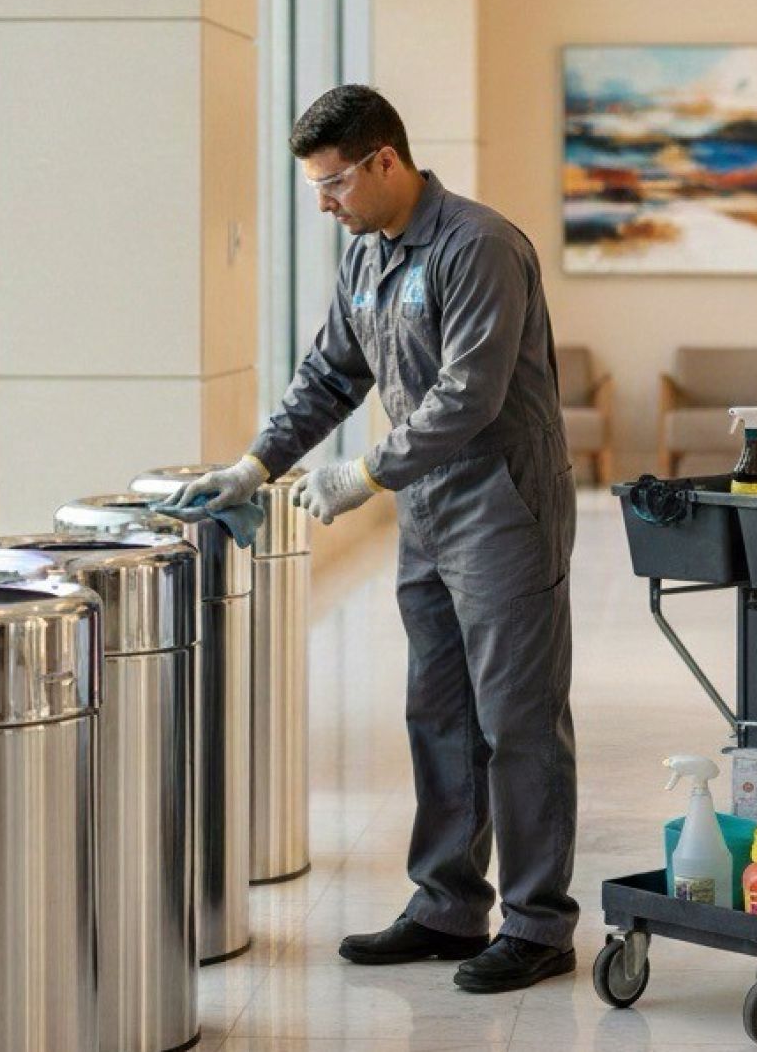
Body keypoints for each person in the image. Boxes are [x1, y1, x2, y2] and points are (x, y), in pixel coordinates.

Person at [172, 85, 579, 994]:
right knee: (439, 712)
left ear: (385, 162)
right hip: (429, 514)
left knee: (517, 718)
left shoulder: (480, 246)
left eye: (333, 184)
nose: (324, 203)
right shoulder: (365, 254)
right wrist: (255, 464)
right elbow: (330, 372)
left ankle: (541, 923)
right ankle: (445, 906)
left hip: (504, 509)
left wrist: (363, 474)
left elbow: (468, 397)